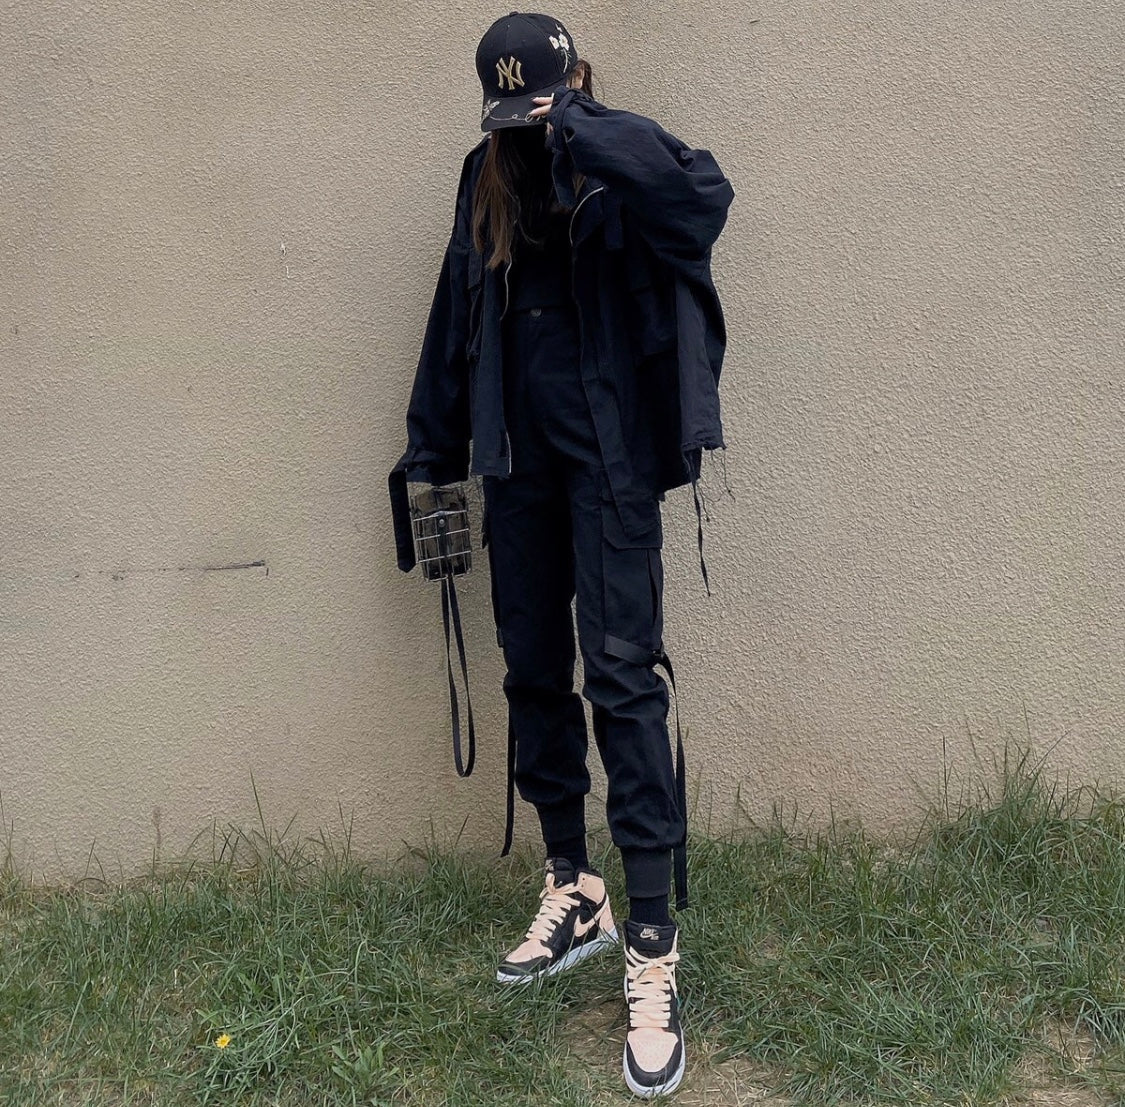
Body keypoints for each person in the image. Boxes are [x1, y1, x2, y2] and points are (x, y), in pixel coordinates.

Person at [389, 11, 733, 1097]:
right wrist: (431, 450)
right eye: (508, 113)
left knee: (623, 681)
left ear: (574, 80)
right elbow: (456, 308)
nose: (520, 131)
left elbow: (703, 203)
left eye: (533, 105)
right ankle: (573, 887)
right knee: (534, 671)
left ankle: (651, 943)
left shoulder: (622, 158)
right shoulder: (482, 172)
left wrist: (578, 123)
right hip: (517, 460)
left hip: (612, 460)